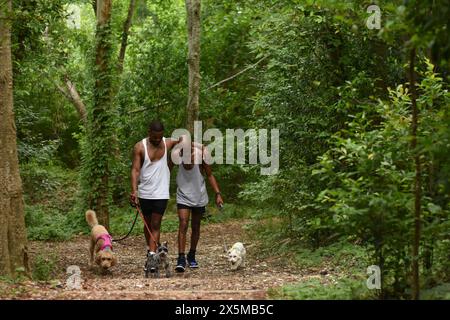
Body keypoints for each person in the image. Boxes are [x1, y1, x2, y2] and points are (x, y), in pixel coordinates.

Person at [130, 120, 183, 272]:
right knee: (146, 225)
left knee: (155, 224)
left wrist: (179, 151)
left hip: (161, 192)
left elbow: (184, 139)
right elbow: (135, 170)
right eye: (155, 137)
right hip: (145, 191)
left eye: (160, 137)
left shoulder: (167, 143)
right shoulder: (140, 147)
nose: (157, 140)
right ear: (149, 133)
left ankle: (152, 257)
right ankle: (151, 250)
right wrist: (134, 191)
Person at [171, 144, 224, 272]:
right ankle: (181, 258)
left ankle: (192, 255)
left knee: (196, 226)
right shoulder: (176, 156)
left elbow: (210, 175)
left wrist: (218, 194)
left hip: (199, 195)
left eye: (191, 158)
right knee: (183, 223)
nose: (189, 162)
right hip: (183, 195)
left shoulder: (201, 158)